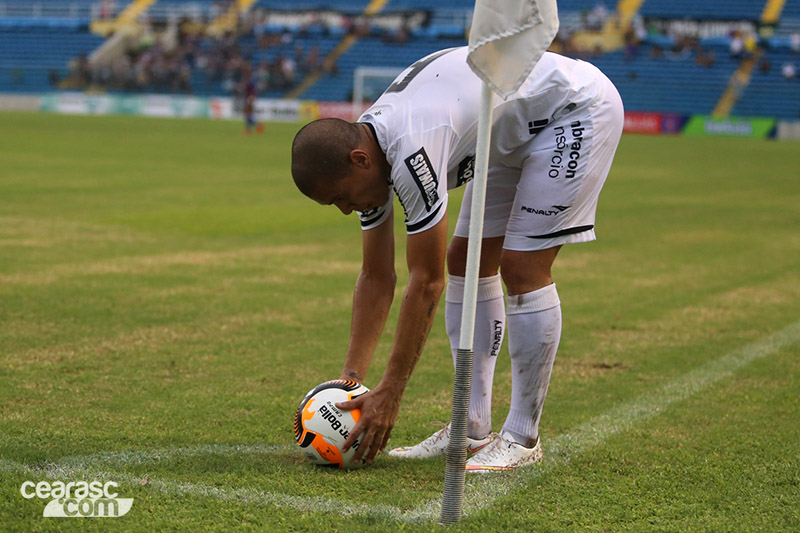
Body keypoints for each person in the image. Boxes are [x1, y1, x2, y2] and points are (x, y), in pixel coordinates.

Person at [290, 46, 623, 471]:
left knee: (522, 267)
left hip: (572, 109)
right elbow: (376, 276)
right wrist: (350, 381)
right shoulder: (368, 154)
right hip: (507, 130)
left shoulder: (411, 151)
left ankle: (522, 437)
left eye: (340, 198)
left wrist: (391, 391)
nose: (343, 209)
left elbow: (425, 282)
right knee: (466, 260)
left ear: (359, 161)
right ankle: (471, 425)